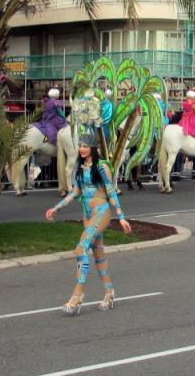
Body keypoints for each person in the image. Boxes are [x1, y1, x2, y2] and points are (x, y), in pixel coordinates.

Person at [45, 133, 132, 314]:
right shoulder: (80, 167)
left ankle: (78, 295)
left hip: (101, 211)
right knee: (98, 254)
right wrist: (56, 208)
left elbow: (111, 192)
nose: (82, 149)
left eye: (85, 145)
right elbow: (75, 193)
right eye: (80, 145)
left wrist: (121, 216)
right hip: (87, 214)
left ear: (93, 147)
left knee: (81, 248)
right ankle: (109, 292)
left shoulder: (101, 167)